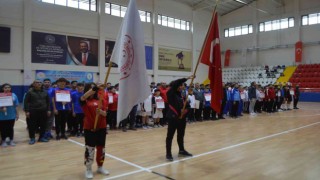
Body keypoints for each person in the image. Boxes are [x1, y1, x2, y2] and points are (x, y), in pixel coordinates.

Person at [80, 83, 109, 179]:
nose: (93, 90)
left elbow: (105, 114)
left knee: (101, 148)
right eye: (91, 88)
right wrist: (95, 87)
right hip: (90, 128)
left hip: (101, 127)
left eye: (94, 89)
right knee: (90, 149)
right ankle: (88, 169)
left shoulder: (101, 99)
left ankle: (100, 166)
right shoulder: (84, 100)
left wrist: (100, 112)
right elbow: (84, 97)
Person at [165, 75, 194, 161]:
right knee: (170, 136)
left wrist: (185, 111)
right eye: (181, 85)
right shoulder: (170, 93)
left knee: (181, 135)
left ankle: (181, 150)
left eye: (183, 86)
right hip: (173, 118)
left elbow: (188, 106)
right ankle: (168, 154)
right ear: (176, 86)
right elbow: (176, 83)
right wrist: (187, 78)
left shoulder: (182, 95)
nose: (182, 87)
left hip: (181, 119)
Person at [24, 80, 51, 144]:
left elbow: (48, 102)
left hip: (43, 111)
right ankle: (32, 138)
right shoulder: (30, 92)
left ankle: (41, 138)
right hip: (33, 111)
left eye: (40, 82)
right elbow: (26, 102)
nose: (38, 83)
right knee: (32, 126)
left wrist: (49, 110)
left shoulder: (45, 92)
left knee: (43, 125)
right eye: (37, 82)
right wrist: (27, 111)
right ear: (33, 84)